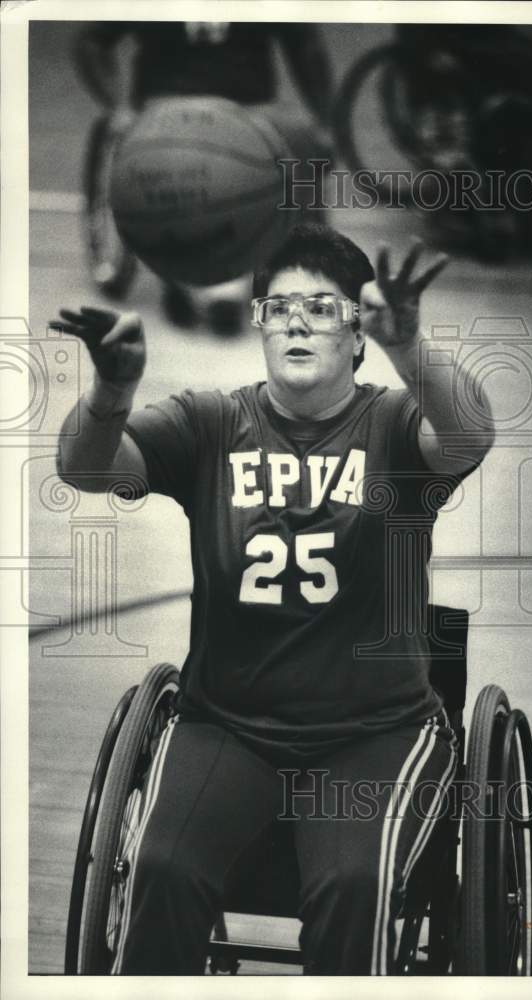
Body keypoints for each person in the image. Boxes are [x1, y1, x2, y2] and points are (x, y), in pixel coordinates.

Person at [52, 223, 495, 975]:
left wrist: (411, 345)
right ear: (258, 327)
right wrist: (113, 389)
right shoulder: (209, 422)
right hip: (227, 724)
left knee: (354, 888)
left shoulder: (392, 426)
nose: (296, 322)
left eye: (321, 309)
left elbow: (470, 436)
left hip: (372, 734)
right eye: (279, 307)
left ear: (357, 335)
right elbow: (85, 470)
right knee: (159, 868)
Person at [74, 21, 334, 330]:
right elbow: (90, 41)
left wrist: (324, 121)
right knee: (188, 168)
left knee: (304, 137)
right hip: (167, 107)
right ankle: (181, 265)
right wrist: (118, 107)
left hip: (252, 110)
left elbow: (306, 44)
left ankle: (301, 269)